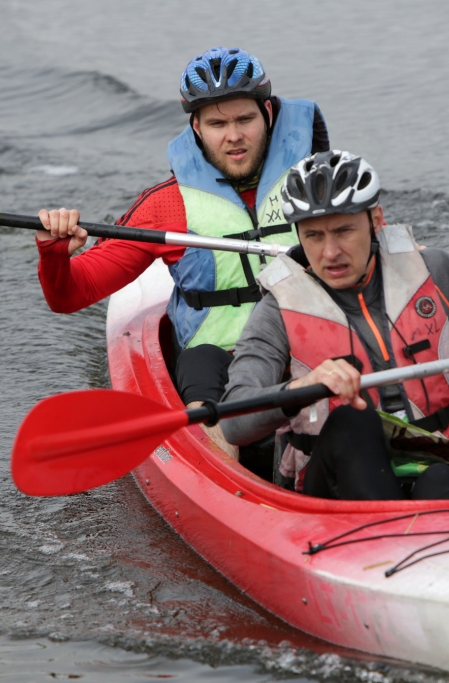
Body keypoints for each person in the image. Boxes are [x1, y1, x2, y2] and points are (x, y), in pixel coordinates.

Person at [34, 47, 329, 458]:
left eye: (244, 119)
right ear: (196, 128)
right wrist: (53, 255)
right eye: (217, 124)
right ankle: (224, 473)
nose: (233, 136)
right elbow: (69, 296)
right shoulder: (166, 207)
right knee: (200, 360)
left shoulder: (323, 186)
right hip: (219, 367)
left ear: (268, 114)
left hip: (314, 351)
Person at [220, 151, 449, 500]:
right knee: (351, 420)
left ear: (376, 220)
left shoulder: (434, 269)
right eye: (313, 235)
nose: (330, 252)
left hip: (445, 466)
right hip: (337, 485)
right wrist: (301, 388)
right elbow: (234, 422)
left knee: (441, 481)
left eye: (344, 231)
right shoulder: (276, 309)